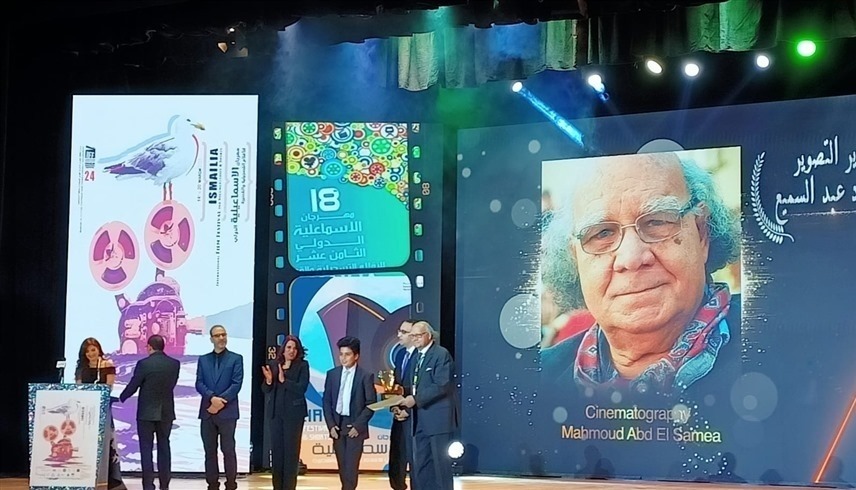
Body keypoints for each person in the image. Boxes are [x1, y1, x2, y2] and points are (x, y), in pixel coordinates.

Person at [540, 151, 741, 396]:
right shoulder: (536, 376)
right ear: (576, 259)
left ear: (701, 234)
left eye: (657, 221)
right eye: (602, 233)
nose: (631, 258)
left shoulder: (774, 338)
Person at [399, 321, 457, 490]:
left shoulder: (441, 354)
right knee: (422, 464)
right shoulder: (416, 357)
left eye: (418, 335)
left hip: (437, 420)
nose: (415, 339)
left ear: (429, 335)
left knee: (440, 467)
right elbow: (415, 386)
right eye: (412, 336)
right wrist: (401, 402)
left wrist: (415, 399)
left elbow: (441, 385)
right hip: (419, 420)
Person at [118, 335, 180, 490]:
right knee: (164, 448)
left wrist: (121, 397)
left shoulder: (143, 364)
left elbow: (134, 385)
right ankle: (165, 485)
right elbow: (171, 385)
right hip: (166, 412)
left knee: (146, 450)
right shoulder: (174, 364)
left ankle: (148, 485)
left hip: (146, 413)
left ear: (150, 347)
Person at [322, 336, 377, 490]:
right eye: (341, 354)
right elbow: (326, 401)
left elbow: (371, 404)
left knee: (351, 468)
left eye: (347, 354)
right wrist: (331, 425)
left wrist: (358, 426)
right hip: (337, 426)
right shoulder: (332, 374)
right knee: (342, 466)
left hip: (354, 426)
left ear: (356, 356)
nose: (343, 358)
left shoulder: (365, 376)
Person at [195, 325, 244, 490]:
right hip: (208, 412)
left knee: (228, 450)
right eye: (217, 335)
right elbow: (199, 383)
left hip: (227, 412)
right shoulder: (203, 359)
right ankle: (212, 484)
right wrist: (212, 398)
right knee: (209, 451)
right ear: (211, 339)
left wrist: (220, 402)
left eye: (223, 334)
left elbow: (236, 384)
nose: (221, 338)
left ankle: (231, 484)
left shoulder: (236, 358)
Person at [75, 337, 126, 490]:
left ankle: (108, 479)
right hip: (85, 413)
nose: (90, 354)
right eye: (87, 352)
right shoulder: (81, 368)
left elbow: (108, 388)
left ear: (98, 349)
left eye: (93, 350)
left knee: (105, 444)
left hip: (102, 410)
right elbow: (78, 388)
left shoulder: (108, 365)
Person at [261, 335, 309, 490]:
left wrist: (284, 381)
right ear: (283, 349)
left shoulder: (302, 365)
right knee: (277, 453)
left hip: (293, 416)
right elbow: (265, 389)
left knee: (291, 453)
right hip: (275, 414)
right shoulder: (274, 365)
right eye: (289, 347)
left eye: (294, 348)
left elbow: (301, 388)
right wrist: (269, 381)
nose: (291, 351)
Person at [389, 319, 418, 490]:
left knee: (414, 458)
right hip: (398, 413)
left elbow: (419, 387)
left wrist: (407, 409)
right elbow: (396, 385)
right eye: (399, 331)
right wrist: (394, 406)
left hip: (415, 415)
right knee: (396, 456)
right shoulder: (400, 355)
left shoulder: (421, 356)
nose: (399, 335)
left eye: (404, 332)